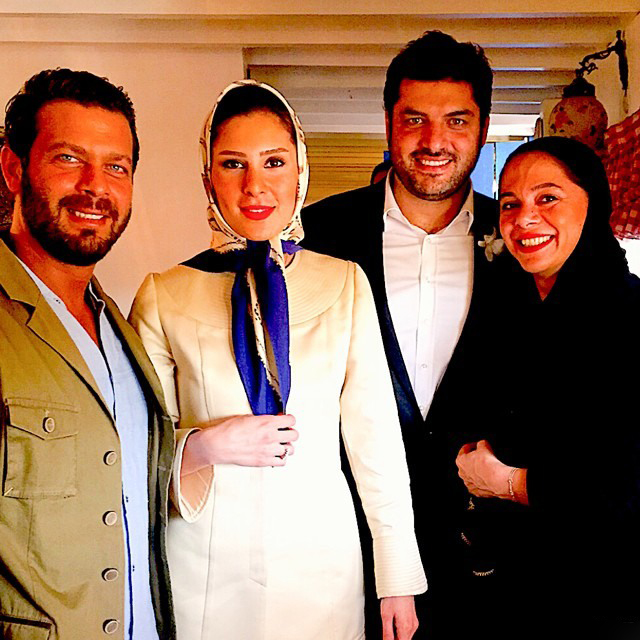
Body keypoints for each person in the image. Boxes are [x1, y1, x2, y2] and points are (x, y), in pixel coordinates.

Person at [129, 80, 427, 640]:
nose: (255, 186)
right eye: (233, 164)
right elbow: (137, 446)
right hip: (201, 566)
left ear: (299, 170)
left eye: (273, 162)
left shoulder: (345, 284)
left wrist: (397, 577)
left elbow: (376, 442)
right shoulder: (163, 295)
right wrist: (204, 444)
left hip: (322, 566)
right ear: (208, 177)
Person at [301, 30, 498, 635]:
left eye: (457, 121)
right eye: (415, 119)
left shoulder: (522, 238)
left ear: (483, 128)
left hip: (489, 558)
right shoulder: (315, 233)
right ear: (388, 123)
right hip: (346, 546)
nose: (434, 141)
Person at [0, 69, 175, 638]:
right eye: (68, 158)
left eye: (116, 167)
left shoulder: (122, 330)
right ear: (13, 168)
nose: (95, 186)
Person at [455, 136, 640, 639]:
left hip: (605, 592)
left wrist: (510, 483)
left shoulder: (630, 316)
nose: (525, 219)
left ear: (593, 203)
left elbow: (628, 485)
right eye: (510, 204)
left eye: (548, 198)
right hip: (507, 584)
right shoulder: (503, 308)